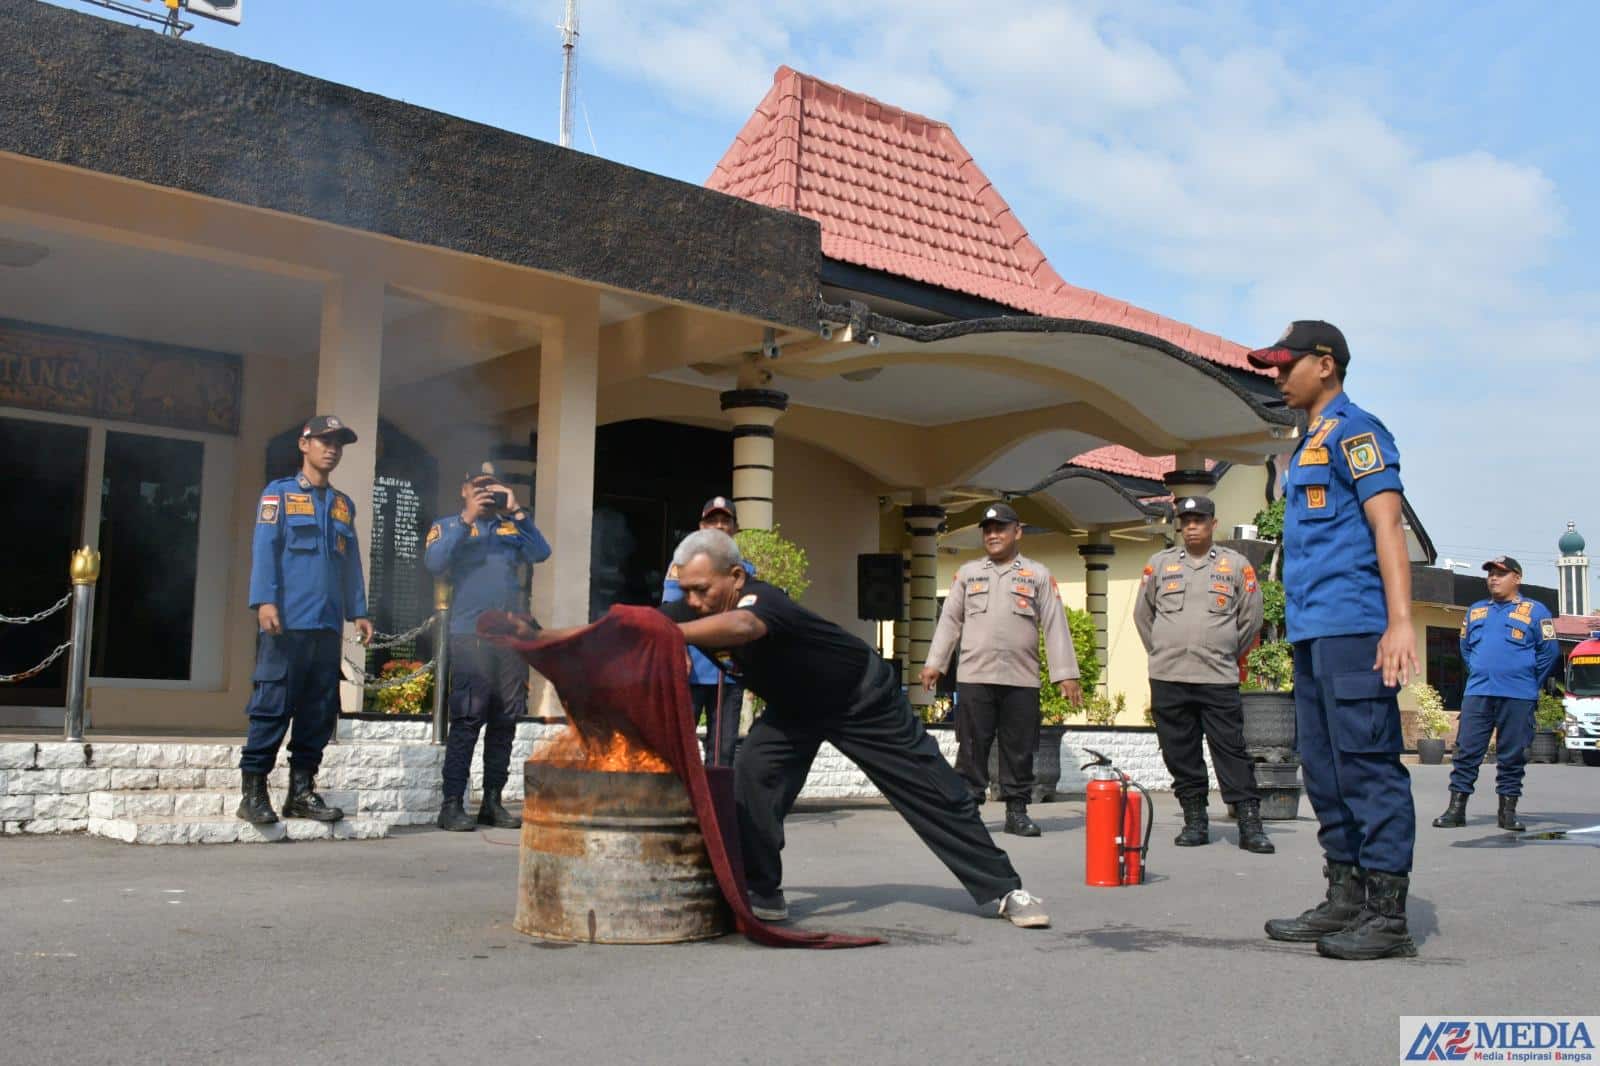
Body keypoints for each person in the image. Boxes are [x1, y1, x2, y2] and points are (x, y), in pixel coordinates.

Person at [663, 529, 1051, 929]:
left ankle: (1004, 889)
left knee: (932, 789)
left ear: (736, 577)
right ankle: (763, 891)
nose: (693, 602)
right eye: (686, 591)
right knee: (753, 776)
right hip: (795, 708)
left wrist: (672, 636)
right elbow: (635, 624)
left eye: (702, 590)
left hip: (862, 699)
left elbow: (743, 627)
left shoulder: (762, 599)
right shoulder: (692, 611)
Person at [1249, 321, 1419, 961]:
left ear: (1325, 364)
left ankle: (1387, 914)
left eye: (1283, 364)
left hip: (1354, 627)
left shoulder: (1358, 431)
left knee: (1366, 765)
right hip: (1312, 630)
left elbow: (1388, 525)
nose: (1276, 376)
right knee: (1322, 769)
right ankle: (1345, 896)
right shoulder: (1303, 446)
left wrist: (1401, 621)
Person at [237, 415, 374, 825]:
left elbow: (350, 565)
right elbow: (265, 550)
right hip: (286, 622)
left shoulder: (342, 505)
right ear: (304, 444)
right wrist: (264, 601)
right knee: (272, 704)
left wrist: (359, 611)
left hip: (326, 625)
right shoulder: (278, 496)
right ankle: (254, 792)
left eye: (339, 443)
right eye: (324, 441)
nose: (332, 448)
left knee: (318, 709)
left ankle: (301, 792)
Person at [921, 502, 1082, 837]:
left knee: (1019, 748)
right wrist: (935, 663)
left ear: (1017, 532)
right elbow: (950, 621)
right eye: (988, 530)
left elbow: (1055, 625)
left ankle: (1017, 811)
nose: (993, 535)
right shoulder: (967, 573)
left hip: (1020, 679)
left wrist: (1066, 673)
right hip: (975, 676)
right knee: (971, 746)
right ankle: (968, 810)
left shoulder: (1037, 574)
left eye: (1000, 529)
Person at [1133, 495, 1274, 854]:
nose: (1192, 526)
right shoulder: (1159, 565)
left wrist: (1223, 650)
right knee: (1180, 752)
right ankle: (1195, 820)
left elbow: (1251, 620)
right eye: (1186, 520)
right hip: (1168, 675)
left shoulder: (1236, 565)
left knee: (1231, 751)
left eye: (1199, 520)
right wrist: (1166, 649)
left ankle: (1249, 823)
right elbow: (1143, 616)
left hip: (1218, 676)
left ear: (1213, 524)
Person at [425, 466, 551, 831]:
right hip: (471, 635)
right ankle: (452, 804)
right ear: (464, 489)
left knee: (505, 719)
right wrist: (468, 519)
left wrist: (517, 512)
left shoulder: (511, 527)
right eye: (479, 487)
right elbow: (434, 562)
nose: (486, 493)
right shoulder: (450, 526)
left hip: (509, 637)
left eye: (492, 487)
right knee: (467, 718)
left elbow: (541, 552)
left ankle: (492, 800)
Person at [1433, 556, 1560, 833]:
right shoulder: (1476, 611)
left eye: (1501, 574)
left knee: (1512, 754)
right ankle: (1456, 809)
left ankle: (1507, 812)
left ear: (1517, 578)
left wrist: (1525, 680)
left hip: (1518, 695)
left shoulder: (1536, 611)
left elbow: (1549, 654)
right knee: (1466, 751)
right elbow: (1466, 649)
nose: (1493, 578)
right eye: (1490, 573)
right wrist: (1483, 672)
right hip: (1479, 692)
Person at [661, 496, 752, 767]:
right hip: (692, 670)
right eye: (713, 520)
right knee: (680, 746)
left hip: (730, 673)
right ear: (702, 526)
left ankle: (717, 807)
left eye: (726, 521)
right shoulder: (683, 567)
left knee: (722, 752)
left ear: (735, 529)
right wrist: (679, 654)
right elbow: (670, 616)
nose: (719, 526)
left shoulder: (745, 571)